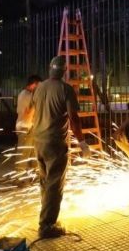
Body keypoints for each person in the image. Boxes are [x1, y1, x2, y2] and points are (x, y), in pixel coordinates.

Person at [30, 57, 90, 238]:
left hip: (38, 140)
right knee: (55, 184)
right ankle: (47, 225)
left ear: (49, 69)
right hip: (55, 142)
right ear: (64, 71)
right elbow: (74, 118)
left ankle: (46, 215)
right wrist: (81, 142)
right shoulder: (66, 89)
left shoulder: (39, 87)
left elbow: (35, 110)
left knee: (46, 181)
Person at [15, 75, 42, 170]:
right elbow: (30, 111)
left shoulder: (29, 94)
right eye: (39, 86)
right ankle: (19, 177)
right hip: (25, 128)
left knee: (33, 153)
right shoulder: (25, 95)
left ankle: (33, 176)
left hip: (30, 127)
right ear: (34, 84)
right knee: (23, 154)